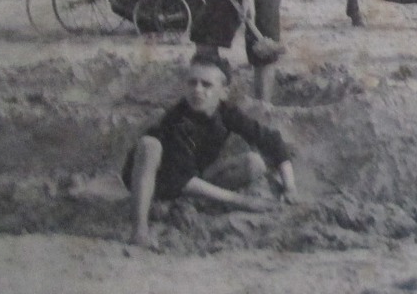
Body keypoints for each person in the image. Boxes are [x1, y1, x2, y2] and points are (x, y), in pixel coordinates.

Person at [124, 54, 297, 249]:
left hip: (193, 177)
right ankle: (140, 231)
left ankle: (183, 205)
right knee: (150, 145)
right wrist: (242, 201)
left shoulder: (226, 112)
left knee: (254, 163)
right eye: (192, 83)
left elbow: (272, 140)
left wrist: (289, 187)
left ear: (223, 92)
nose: (197, 90)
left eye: (206, 85)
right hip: (157, 180)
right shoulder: (176, 120)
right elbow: (180, 178)